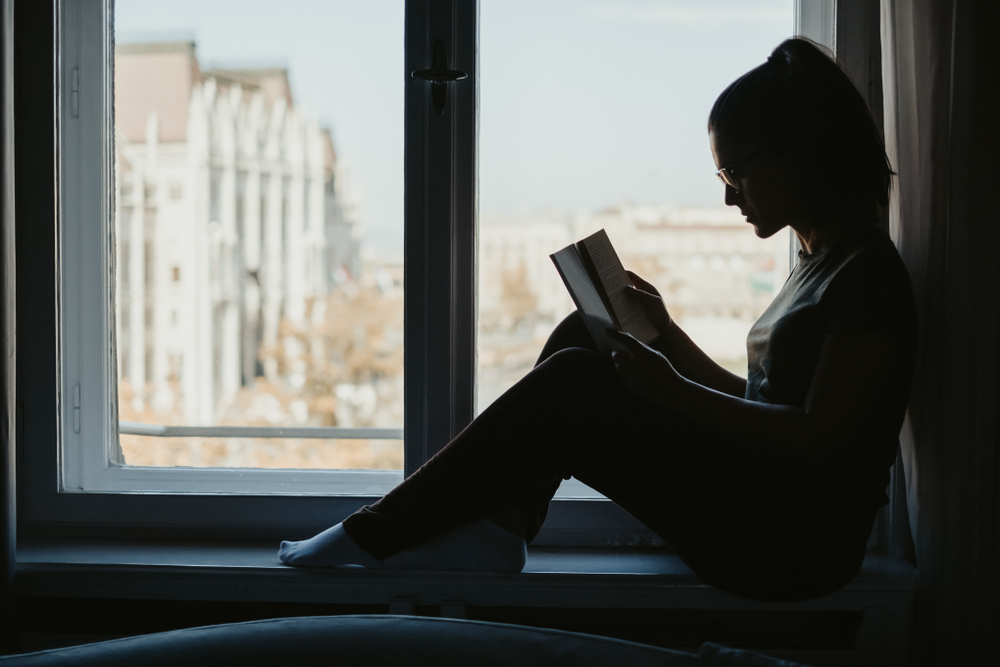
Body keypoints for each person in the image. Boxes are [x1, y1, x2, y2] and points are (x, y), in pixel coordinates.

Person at [278, 38, 918, 603]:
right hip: (760, 503)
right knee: (585, 335)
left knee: (578, 381)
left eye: (737, 172)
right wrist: (666, 335)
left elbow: (817, 438)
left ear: (798, 153)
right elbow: (756, 403)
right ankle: (498, 527)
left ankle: (375, 531)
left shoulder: (867, 275)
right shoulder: (818, 261)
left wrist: (669, 390)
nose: (729, 195)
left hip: (790, 548)